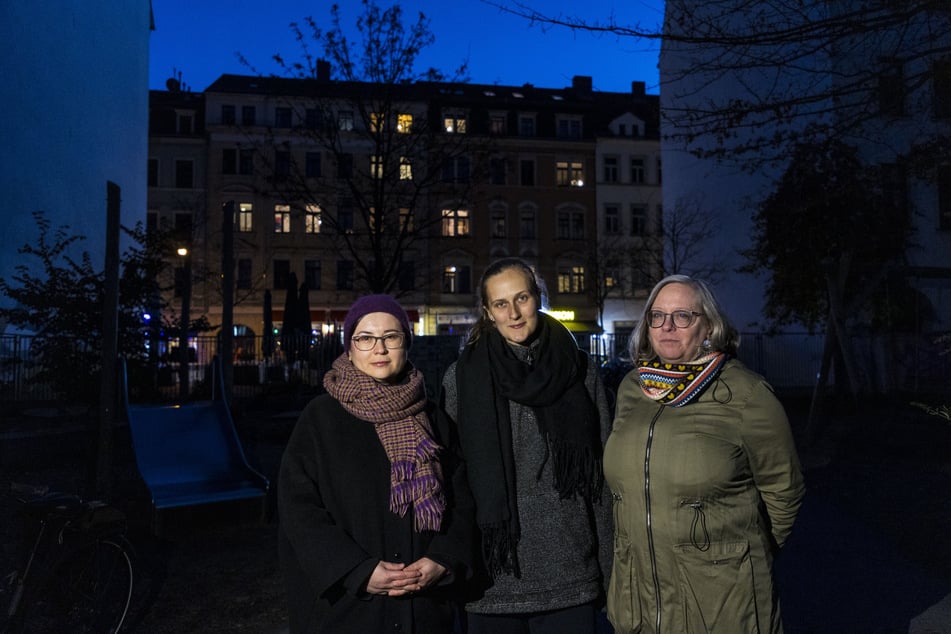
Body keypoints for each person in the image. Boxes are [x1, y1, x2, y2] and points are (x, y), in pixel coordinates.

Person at [604, 274, 806, 633]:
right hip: (640, 594)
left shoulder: (747, 393)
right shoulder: (632, 389)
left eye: (683, 316)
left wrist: (743, 556)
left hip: (721, 599)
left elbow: (783, 488)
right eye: (657, 315)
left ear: (709, 325)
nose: (667, 326)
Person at [278, 294, 475, 633]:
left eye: (391, 337)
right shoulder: (320, 419)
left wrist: (443, 560)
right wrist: (357, 570)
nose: (379, 349)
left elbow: (463, 501)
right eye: (366, 338)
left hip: (425, 609)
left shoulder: (434, 419)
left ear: (406, 343)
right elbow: (298, 510)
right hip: (349, 610)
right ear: (350, 348)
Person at [441, 257, 613, 634]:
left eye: (522, 298)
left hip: (571, 575)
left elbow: (602, 482)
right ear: (488, 311)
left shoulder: (580, 372)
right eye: (501, 304)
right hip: (491, 581)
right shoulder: (461, 380)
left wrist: (610, 569)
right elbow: (451, 484)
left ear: (539, 298)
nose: (514, 313)